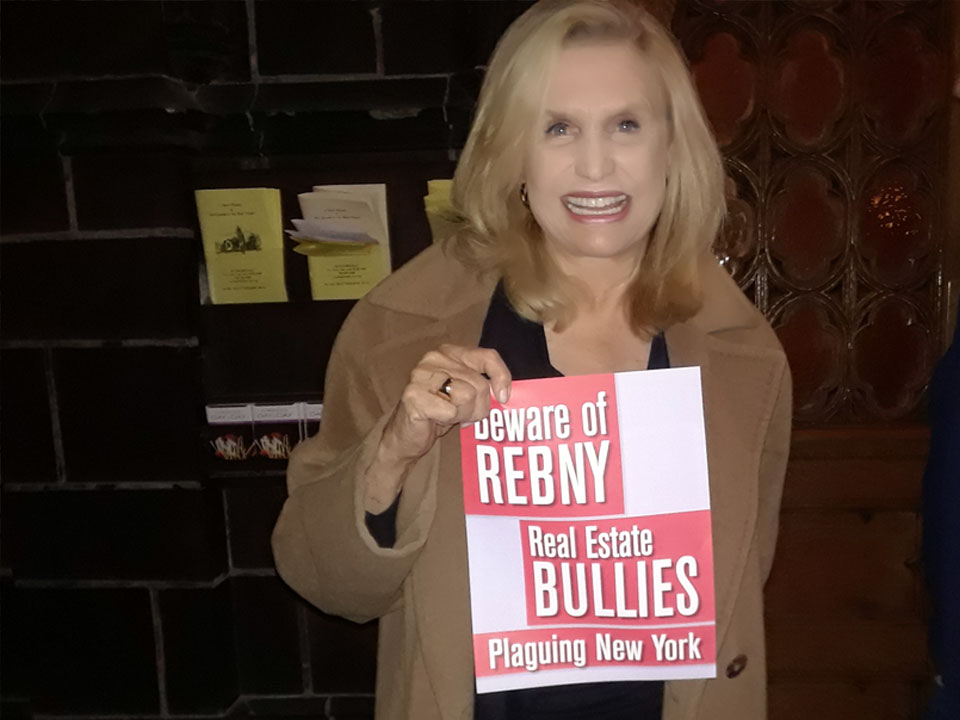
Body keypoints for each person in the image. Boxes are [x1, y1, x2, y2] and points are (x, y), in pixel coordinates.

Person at [272, 1, 792, 718]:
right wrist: (390, 455)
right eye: (558, 128)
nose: (595, 166)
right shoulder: (400, 332)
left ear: (673, 148)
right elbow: (324, 581)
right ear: (513, 152)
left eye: (626, 125)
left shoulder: (745, 358)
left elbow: (741, 578)